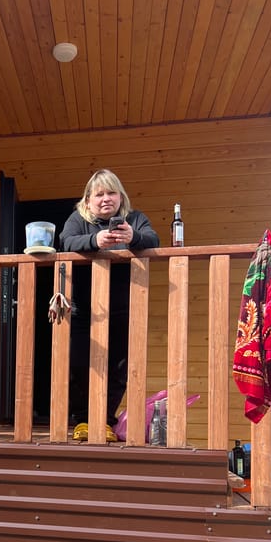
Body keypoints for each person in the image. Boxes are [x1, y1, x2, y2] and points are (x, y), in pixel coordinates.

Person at [59, 169, 160, 440]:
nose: (106, 199)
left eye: (111, 193)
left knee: (118, 368)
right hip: (83, 308)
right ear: (88, 200)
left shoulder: (134, 219)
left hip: (122, 307)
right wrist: (94, 240)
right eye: (99, 194)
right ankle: (83, 420)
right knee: (80, 365)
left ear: (120, 197)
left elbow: (153, 239)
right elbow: (66, 241)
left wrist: (133, 237)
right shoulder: (78, 219)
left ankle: (104, 421)